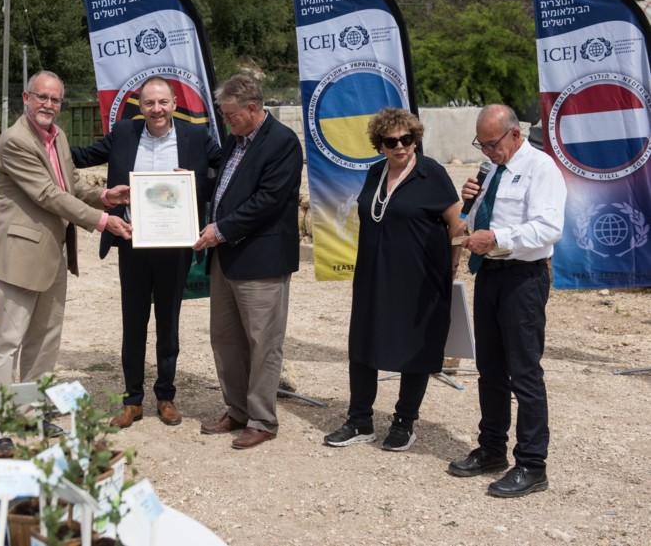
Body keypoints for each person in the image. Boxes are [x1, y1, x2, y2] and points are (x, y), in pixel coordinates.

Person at [0, 71, 132, 436]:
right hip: (19, 256)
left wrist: (103, 196)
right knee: (7, 343)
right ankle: (2, 426)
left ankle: (31, 415)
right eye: (42, 97)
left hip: (52, 255)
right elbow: (49, 195)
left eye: (55, 99)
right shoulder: (15, 141)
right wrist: (102, 220)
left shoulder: (58, 136)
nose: (48, 104)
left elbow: (69, 183)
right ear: (26, 97)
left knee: (45, 342)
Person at [71, 76, 221, 429]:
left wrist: (195, 182)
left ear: (173, 104)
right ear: (140, 105)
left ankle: (165, 396)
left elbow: (227, 169)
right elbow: (82, 156)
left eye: (163, 102)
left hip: (174, 246)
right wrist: (46, 143)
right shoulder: (124, 132)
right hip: (133, 240)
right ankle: (132, 400)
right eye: (150, 103)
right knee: (133, 321)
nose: (157, 109)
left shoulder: (195, 137)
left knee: (169, 322)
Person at [323, 107, 464, 452]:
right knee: (363, 343)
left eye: (407, 139)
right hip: (374, 274)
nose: (401, 146)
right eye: (392, 141)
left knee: (415, 345)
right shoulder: (375, 173)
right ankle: (359, 420)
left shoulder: (432, 174)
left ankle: (404, 422)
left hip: (420, 278)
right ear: (380, 144)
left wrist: (450, 267)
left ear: (415, 139)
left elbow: (457, 224)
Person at [448, 104, 566, 498]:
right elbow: (480, 218)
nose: (486, 152)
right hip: (491, 275)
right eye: (480, 145)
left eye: (491, 144)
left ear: (515, 134)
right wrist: (470, 201)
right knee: (491, 369)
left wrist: (498, 239)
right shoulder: (494, 169)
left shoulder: (542, 168)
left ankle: (532, 464)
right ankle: (492, 449)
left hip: (523, 278)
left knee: (524, 372)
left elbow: (548, 227)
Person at [193, 75, 303, 450]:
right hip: (227, 257)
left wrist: (220, 230)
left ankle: (262, 419)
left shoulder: (283, 143)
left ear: (253, 109)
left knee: (262, 343)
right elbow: (226, 188)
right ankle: (237, 409)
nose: (226, 122)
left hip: (261, 259)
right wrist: (186, 184)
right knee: (225, 339)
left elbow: (267, 201)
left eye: (230, 115)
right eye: (224, 116)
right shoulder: (235, 140)